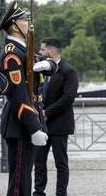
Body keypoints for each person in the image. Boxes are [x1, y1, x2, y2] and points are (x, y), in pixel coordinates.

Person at [0, 2, 57, 196]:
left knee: (25, 178)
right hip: (20, 123)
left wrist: (48, 64)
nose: (28, 22)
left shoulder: (23, 50)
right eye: (24, 19)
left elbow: (48, 64)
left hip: (28, 120)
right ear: (15, 26)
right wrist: (33, 127)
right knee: (19, 183)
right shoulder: (11, 54)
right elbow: (18, 94)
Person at [34, 37, 79, 196]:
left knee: (61, 163)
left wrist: (47, 112)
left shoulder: (69, 71)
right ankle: (39, 192)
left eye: (42, 49)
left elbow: (68, 98)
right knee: (39, 161)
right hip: (42, 125)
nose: (39, 53)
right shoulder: (41, 70)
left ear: (50, 52)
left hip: (60, 124)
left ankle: (61, 193)